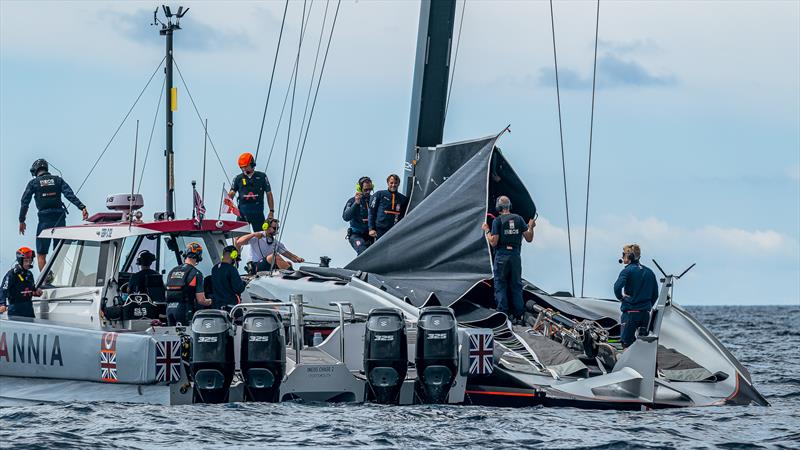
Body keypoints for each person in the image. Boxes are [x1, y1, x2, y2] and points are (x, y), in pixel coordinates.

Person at [19, 159, 90, 271]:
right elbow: (69, 195)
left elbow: (24, 202)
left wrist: (21, 221)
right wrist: (82, 207)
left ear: (36, 171)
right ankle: (57, 277)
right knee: (59, 252)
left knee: (41, 254)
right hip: (60, 219)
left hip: (44, 221)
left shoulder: (33, 183)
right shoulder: (57, 180)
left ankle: (46, 281)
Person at [482, 196, 535, 324]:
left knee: (500, 284)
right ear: (509, 206)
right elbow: (529, 238)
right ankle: (519, 314)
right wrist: (531, 227)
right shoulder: (519, 219)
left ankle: (502, 313)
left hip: (502, 255)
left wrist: (487, 231)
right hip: (515, 256)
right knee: (516, 285)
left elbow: (494, 242)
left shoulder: (497, 221)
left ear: (498, 208)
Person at [613, 244, 659, 348]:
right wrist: (646, 305)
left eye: (624, 254)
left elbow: (617, 288)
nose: (622, 256)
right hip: (645, 314)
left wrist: (621, 298)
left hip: (630, 314)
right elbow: (655, 294)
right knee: (643, 345)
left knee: (626, 343)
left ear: (629, 256)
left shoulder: (627, 271)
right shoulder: (650, 272)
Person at [165, 242, 211, 326]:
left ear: (185, 254)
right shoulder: (196, 273)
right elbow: (201, 300)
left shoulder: (172, 271)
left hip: (169, 309)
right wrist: (211, 301)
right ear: (198, 257)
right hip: (184, 310)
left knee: (172, 336)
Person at [228, 152, 275, 232]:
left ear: (252, 164)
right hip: (242, 214)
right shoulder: (238, 178)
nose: (244, 169)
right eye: (242, 168)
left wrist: (271, 211)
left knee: (261, 237)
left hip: (258, 213)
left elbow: (269, 194)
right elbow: (232, 192)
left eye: (246, 167)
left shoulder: (262, 177)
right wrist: (228, 199)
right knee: (238, 239)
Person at [235, 218, 304, 271]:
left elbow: (289, 255)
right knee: (274, 256)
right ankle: (292, 275)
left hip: (266, 265)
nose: (276, 231)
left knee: (288, 263)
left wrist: (297, 258)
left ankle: (290, 277)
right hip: (255, 266)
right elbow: (238, 242)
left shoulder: (276, 242)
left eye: (277, 228)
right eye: (274, 228)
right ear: (266, 227)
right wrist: (253, 235)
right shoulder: (256, 236)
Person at [0, 247, 42, 318]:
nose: (28, 263)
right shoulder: (12, 274)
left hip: (28, 308)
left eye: (30, 261)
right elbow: (3, 290)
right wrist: (2, 304)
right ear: (20, 261)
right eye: (26, 261)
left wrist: (36, 291)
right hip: (15, 309)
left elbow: (32, 289)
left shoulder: (29, 274)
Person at [368, 174, 408, 240]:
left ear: (398, 184)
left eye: (395, 183)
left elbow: (404, 215)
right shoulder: (379, 194)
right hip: (380, 230)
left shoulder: (403, 199)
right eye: (391, 183)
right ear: (387, 183)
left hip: (395, 231)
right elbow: (371, 212)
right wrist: (371, 229)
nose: (393, 185)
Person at [342, 176, 374, 254]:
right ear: (360, 189)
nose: (368, 192)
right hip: (356, 235)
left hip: (370, 235)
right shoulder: (352, 201)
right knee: (362, 250)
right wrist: (356, 203)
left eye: (370, 189)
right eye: (366, 190)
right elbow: (346, 217)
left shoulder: (374, 200)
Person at [210, 245, 246, 310]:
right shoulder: (231, 269)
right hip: (230, 307)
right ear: (233, 255)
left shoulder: (214, 269)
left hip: (217, 306)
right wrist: (244, 283)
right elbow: (238, 289)